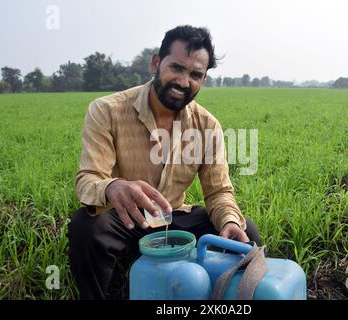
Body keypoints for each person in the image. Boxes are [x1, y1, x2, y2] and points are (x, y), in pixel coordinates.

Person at [67, 25, 261, 300]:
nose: (184, 81)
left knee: (245, 230)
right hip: (127, 217)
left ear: (203, 79)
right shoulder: (107, 110)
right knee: (87, 227)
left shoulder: (207, 126)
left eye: (195, 74)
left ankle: (225, 297)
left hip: (176, 218)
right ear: (156, 63)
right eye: (177, 68)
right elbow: (88, 178)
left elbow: (218, 192)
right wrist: (113, 187)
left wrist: (229, 220)